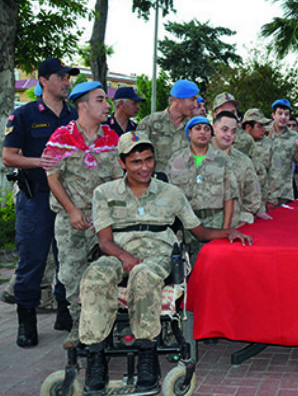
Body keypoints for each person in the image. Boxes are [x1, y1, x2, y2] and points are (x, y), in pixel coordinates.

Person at [79, 131, 251, 395]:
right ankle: (95, 359)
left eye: (149, 160)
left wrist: (228, 233)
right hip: (117, 253)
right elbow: (104, 241)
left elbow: (200, 232)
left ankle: (147, 355)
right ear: (122, 163)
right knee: (94, 276)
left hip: (158, 255)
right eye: (136, 161)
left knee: (144, 276)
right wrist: (124, 256)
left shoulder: (171, 193)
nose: (145, 167)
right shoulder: (105, 193)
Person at [3, 57, 79, 347]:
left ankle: (64, 313)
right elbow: (9, 156)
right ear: (44, 81)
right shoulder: (23, 115)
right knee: (32, 260)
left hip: (68, 200)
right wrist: (40, 162)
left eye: (68, 77)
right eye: (60, 77)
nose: (66, 81)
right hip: (36, 198)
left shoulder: (73, 115)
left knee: (68, 258)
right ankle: (26, 321)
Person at [45, 81, 122, 347]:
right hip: (71, 220)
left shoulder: (112, 138)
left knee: (106, 271)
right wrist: (72, 209)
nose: (107, 105)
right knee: (72, 273)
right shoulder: (61, 137)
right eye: (100, 100)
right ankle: (79, 327)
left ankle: (105, 325)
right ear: (83, 105)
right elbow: (52, 178)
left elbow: (117, 178)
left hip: (103, 220)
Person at [165, 116, 238, 263]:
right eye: (198, 128)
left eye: (207, 129)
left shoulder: (222, 159)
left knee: (214, 265)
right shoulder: (176, 160)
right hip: (184, 224)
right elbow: (168, 195)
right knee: (186, 268)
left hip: (214, 221)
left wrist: (225, 230)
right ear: (189, 133)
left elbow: (229, 197)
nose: (203, 132)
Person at [211, 111, 267, 225]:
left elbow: (252, 196)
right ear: (213, 128)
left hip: (233, 229)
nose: (229, 135)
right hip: (199, 233)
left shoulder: (243, 161)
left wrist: (243, 219)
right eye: (224, 129)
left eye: (233, 131)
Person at [137, 79, 199, 173]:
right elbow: (137, 157)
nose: (195, 105)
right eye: (192, 100)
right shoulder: (150, 123)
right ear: (177, 99)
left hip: (184, 184)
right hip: (156, 184)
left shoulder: (194, 127)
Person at [266, 99, 298, 211]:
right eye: (280, 114)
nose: (283, 117)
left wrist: (297, 148)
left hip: (284, 192)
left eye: (286, 114)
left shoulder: (294, 136)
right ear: (273, 115)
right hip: (264, 190)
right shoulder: (264, 132)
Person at [243, 108, 274, 210]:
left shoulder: (269, 144)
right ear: (248, 127)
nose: (264, 130)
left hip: (261, 202)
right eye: (260, 126)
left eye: (264, 126)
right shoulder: (235, 145)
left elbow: (274, 172)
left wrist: (271, 198)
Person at [211, 91, 256, 159]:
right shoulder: (204, 138)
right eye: (225, 112)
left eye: (232, 112)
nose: (230, 116)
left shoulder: (246, 140)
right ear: (215, 114)